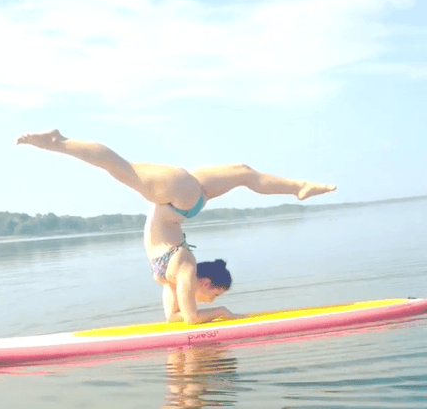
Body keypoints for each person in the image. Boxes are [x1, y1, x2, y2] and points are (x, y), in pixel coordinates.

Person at [17, 129, 336, 324]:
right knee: (122, 167)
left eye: (215, 298)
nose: (212, 301)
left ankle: (299, 187)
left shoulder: (179, 271)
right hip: (181, 198)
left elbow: (181, 319)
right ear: (206, 282)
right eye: (215, 295)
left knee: (244, 172)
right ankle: (58, 141)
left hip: (183, 200)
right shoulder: (184, 265)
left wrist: (222, 313)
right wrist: (225, 315)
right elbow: (193, 317)